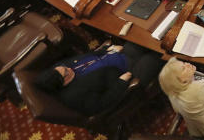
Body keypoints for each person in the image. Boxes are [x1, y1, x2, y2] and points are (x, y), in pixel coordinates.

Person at [33, 42, 162, 117]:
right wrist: (121, 83)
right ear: (64, 82)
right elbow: (101, 104)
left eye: (64, 67)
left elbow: (87, 57)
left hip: (119, 55)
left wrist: (106, 50)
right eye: (66, 72)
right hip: (129, 74)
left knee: (142, 40)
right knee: (157, 56)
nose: (68, 68)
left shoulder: (61, 68)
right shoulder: (74, 96)